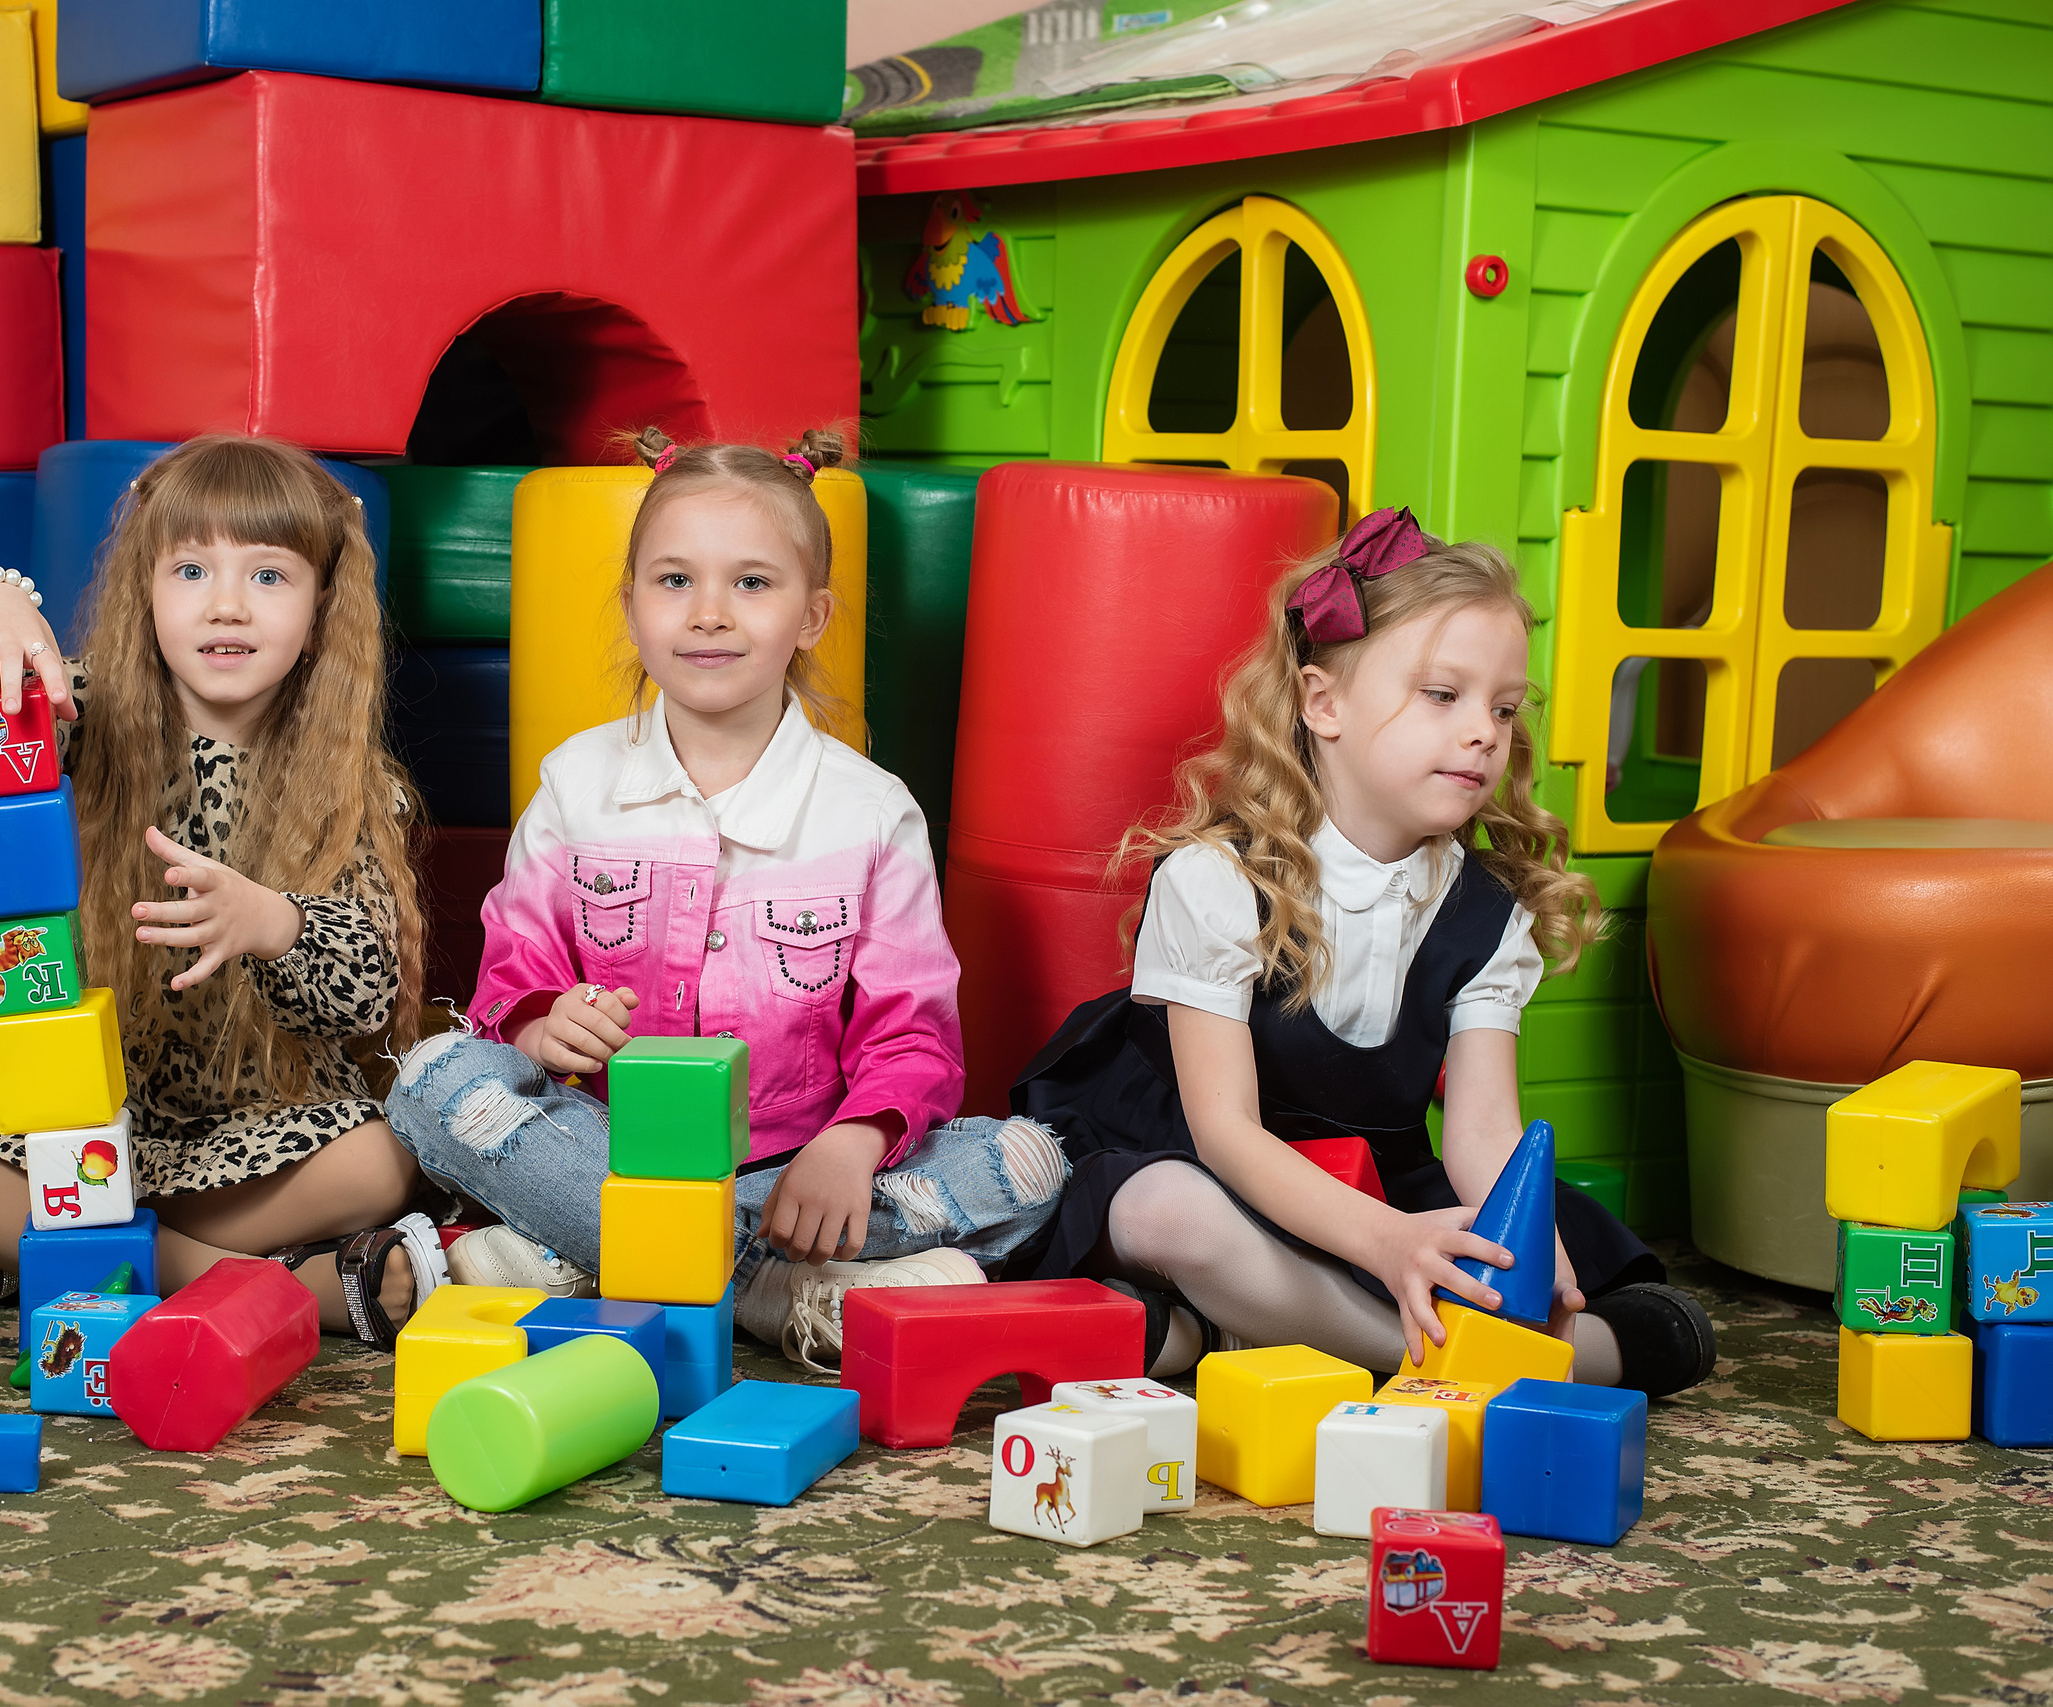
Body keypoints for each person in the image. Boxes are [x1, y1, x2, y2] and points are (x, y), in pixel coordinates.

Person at [385, 429, 1068, 1367]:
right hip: (605, 1153)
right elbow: (514, 973)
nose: (710, 613)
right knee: (431, 1077)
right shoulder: (578, 785)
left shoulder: (870, 813)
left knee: (1027, 1162)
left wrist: (852, 1145)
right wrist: (545, 1026)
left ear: (813, 615)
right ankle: (761, 1289)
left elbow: (912, 1034)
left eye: (751, 583)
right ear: (631, 607)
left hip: (798, 1170)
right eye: (675, 581)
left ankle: (582, 1261)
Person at [1013, 507, 1715, 1397]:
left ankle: (1246, 1321)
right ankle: (1429, 1356)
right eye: (1442, 695)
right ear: (1324, 702)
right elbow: (1226, 1133)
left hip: (1373, 1168)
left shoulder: (1483, 915)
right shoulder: (1216, 879)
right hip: (1202, 1153)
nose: (1483, 732)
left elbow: (1483, 1131)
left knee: (1662, 1321)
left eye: (1503, 708)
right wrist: (1387, 1244)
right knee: (1169, 1216)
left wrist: (1522, 1246)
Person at [0, 435, 444, 1347]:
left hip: (260, 1138)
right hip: (90, 1121)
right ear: (146, 593)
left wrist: (272, 922)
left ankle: (13, 1253)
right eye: (192, 568)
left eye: (269, 576)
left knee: (392, 1156)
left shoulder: (354, 785)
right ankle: (228, 1280)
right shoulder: (83, 710)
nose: (227, 603)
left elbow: (366, 989)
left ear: (320, 612)